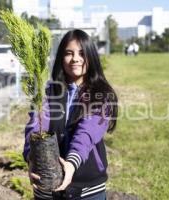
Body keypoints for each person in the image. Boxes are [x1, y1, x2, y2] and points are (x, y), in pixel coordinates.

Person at [23, 29, 118, 200]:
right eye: (69, 53)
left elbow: (87, 133)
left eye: (82, 53)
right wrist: (32, 159)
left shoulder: (101, 95)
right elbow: (35, 127)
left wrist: (71, 165)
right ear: (60, 58)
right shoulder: (48, 92)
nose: (75, 58)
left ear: (91, 57)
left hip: (87, 190)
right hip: (46, 190)